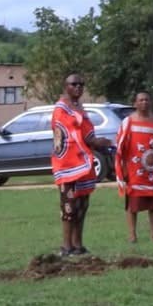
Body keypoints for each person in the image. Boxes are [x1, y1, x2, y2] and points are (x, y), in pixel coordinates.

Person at [49, 73, 109, 258]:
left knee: (82, 206)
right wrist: (89, 142)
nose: (78, 87)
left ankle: (78, 245)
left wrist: (99, 142)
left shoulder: (80, 108)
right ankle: (66, 247)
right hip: (68, 165)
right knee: (68, 207)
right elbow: (69, 135)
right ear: (65, 86)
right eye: (74, 84)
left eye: (82, 84)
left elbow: (87, 134)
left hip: (83, 164)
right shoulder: (61, 109)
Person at [115, 91, 153, 243]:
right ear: (135, 103)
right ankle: (132, 235)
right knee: (133, 204)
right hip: (134, 170)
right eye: (141, 100)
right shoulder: (128, 122)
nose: (144, 102)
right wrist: (122, 168)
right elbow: (121, 146)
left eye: (147, 100)